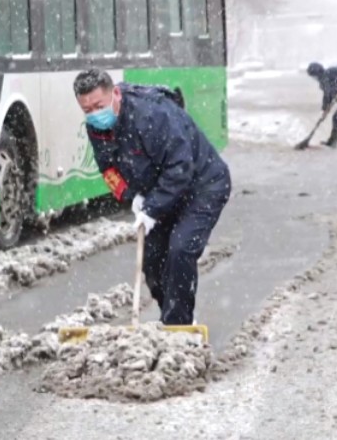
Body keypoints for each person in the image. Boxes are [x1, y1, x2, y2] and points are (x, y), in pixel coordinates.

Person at [73, 69, 231, 326]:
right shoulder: (98, 127)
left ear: (115, 93)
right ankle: (171, 317)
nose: (94, 114)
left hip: (202, 185)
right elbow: (108, 168)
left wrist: (152, 208)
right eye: (87, 109)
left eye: (98, 106)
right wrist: (131, 196)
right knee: (153, 263)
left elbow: (180, 167)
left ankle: (178, 328)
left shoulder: (151, 114)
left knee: (180, 250)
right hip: (161, 191)